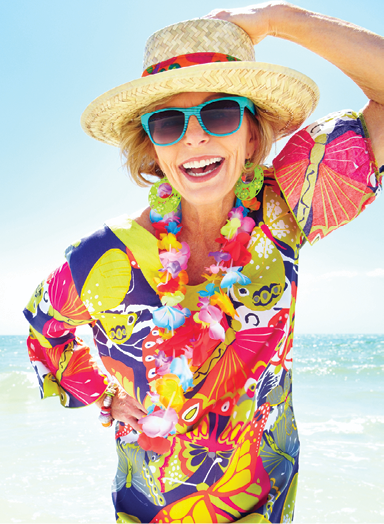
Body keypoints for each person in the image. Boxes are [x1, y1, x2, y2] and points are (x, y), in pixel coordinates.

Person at [23, 3, 384, 523]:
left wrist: (278, 18)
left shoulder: (283, 208)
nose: (195, 136)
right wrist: (105, 397)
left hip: (263, 504)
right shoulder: (101, 260)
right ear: (151, 147)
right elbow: (43, 330)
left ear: (252, 134)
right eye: (169, 121)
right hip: (147, 511)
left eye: (219, 113)